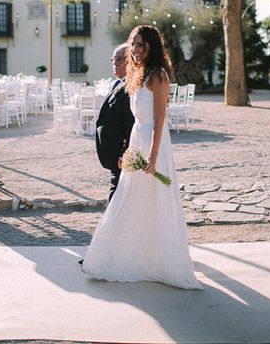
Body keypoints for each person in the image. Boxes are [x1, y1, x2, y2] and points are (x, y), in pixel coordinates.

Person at [82, 25, 201, 290]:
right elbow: (134, 120)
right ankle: (128, 256)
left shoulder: (158, 76)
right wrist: (128, 151)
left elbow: (160, 119)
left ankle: (159, 259)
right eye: (133, 45)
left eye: (140, 45)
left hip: (153, 142)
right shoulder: (137, 75)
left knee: (155, 199)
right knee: (128, 198)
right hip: (137, 138)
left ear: (151, 47)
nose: (135, 50)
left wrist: (153, 154)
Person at [95, 44, 135, 202]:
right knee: (118, 191)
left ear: (130, 61)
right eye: (113, 60)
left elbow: (130, 124)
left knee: (117, 193)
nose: (115, 63)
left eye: (119, 59)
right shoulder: (118, 83)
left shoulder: (130, 87)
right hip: (112, 155)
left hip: (121, 155)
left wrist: (124, 155)